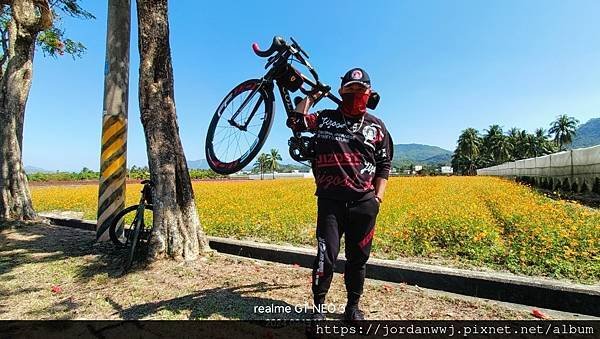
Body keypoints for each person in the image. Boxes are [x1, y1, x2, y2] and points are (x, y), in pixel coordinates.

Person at [287, 68, 393, 321]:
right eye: (349, 89)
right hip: (330, 202)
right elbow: (295, 121)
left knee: (358, 260)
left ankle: (352, 308)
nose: (355, 94)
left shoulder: (377, 127)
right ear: (341, 91)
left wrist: (377, 198)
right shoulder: (325, 118)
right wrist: (313, 96)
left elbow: (384, 164)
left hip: (364, 203)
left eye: (360, 90)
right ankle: (319, 308)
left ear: (369, 93)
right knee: (326, 256)